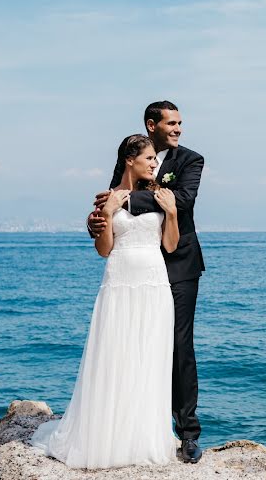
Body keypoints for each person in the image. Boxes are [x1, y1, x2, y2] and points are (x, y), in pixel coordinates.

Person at [31, 134, 179, 468]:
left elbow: (170, 246)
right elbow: (103, 250)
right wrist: (109, 212)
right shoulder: (108, 198)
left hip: (155, 283)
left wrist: (170, 213)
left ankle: (143, 437)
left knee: (149, 358)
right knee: (115, 355)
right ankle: (105, 436)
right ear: (130, 159)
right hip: (119, 282)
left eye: (155, 159)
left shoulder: (160, 195)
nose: (155, 163)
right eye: (150, 158)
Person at [88, 100, 206, 464]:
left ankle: (187, 433)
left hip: (178, 265)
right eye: (171, 123)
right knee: (130, 343)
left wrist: (119, 200)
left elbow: (182, 201)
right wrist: (97, 219)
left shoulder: (191, 160)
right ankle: (131, 426)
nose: (178, 129)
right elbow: (108, 217)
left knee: (178, 346)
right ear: (151, 125)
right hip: (134, 267)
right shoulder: (134, 153)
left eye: (180, 123)